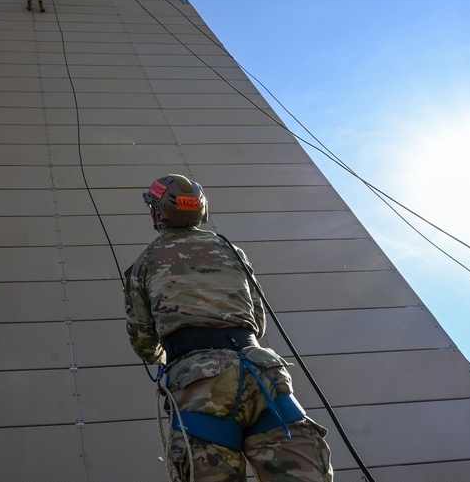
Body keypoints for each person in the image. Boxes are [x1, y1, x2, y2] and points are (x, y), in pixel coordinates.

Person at [123, 175, 333, 482]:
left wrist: (165, 356)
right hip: (262, 373)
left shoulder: (144, 263)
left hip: (201, 385)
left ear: (157, 212)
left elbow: (143, 342)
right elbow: (257, 321)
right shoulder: (231, 250)